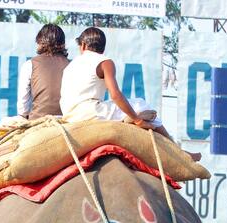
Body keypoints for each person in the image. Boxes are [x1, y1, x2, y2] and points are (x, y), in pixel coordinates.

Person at [59, 27, 201, 161]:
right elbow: (115, 95)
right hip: (90, 112)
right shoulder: (104, 62)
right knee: (140, 103)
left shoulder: (70, 65)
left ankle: (129, 120)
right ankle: (178, 151)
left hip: (69, 115)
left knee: (131, 106)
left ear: (83, 45)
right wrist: (137, 119)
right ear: (102, 47)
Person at [17, 24, 70, 120]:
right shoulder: (73, 66)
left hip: (37, 122)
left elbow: (23, 107)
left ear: (40, 41)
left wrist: (23, 117)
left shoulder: (30, 64)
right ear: (63, 44)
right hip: (67, 121)